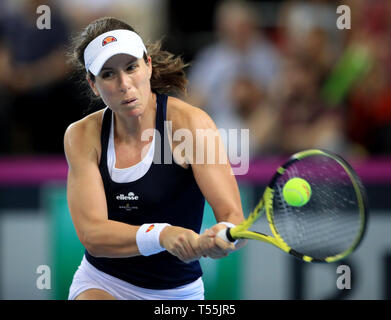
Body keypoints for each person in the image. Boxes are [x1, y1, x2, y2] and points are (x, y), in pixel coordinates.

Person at [64, 16, 246, 300]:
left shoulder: (191, 125)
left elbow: (233, 218)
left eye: (131, 67)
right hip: (103, 282)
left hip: (177, 293)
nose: (125, 84)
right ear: (93, 84)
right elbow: (93, 235)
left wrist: (224, 237)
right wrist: (161, 235)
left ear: (148, 65)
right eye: (109, 74)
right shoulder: (81, 135)